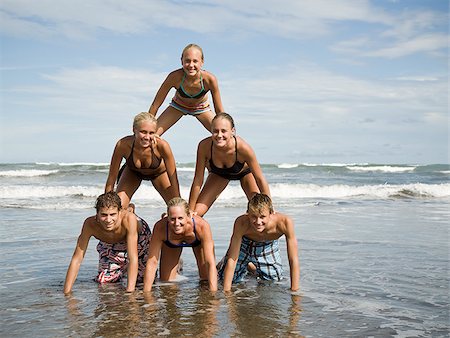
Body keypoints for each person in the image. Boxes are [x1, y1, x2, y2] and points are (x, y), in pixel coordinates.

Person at [64, 192, 151, 294]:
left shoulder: (128, 219)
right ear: (97, 213)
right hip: (110, 242)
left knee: (141, 281)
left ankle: (131, 208)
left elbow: (132, 259)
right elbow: (77, 259)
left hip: (139, 239)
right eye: (104, 215)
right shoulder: (90, 224)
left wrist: (130, 293)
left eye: (112, 214)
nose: (108, 220)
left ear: (119, 212)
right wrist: (67, 292)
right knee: (105, 282)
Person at [189, 112, 271, 216]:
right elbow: (198, 180)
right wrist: (190, 210)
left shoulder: (243, 148)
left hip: (245, 173)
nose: (219, 135)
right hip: (218, 175)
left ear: (232, 131)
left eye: (223, 131)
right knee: (196, 214)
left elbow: (259, 178)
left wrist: (269, 206)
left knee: (259, 212)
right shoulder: (204, 146)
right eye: (215, 131)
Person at [218, 193, 299, 291]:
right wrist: (227, 291)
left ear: (271, 213)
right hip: (244, 245)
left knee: (272, 282)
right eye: (253, 216)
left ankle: (251, 267)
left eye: (262, 217)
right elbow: (233, 258)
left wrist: (294, 291)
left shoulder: (285, 222)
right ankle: (227, 263)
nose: (258, 222)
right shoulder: (241, 223)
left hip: (268, 245)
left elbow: (293, 258)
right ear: (247, 213)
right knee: (226, 279)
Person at [104, 112, 180, 209]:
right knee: (118, 208)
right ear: (134, 130)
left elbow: (173, 178)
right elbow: (111, 178)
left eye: (151, 133)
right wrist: (106, 204)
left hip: (159, 174)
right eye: (143, 132)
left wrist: (178, 202)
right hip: (133, 172)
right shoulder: (123, 145)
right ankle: (129, 210)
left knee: (175, 207)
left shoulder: (162, 146)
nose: (147, 137)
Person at [143, 197, 218, 292]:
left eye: (180, 218)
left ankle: (220, 266)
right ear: (167, 217)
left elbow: (210, 262)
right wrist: (146, 294)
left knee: (205, 279)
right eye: (172, 219)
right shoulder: (160, 227)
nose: (177, 223)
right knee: (167, 282)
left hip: (197, 242)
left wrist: (213, 294)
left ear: (188, 216)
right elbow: (152, 262)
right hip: (171, 242)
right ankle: (177, 265)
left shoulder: (202, 226)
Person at [148, 43, 224, 136]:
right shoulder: (174, 77)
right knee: (151, 135)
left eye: (195, 61)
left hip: (201, 107)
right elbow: (155, 104)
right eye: (187, 61)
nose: (191, 65)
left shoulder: (209, 80)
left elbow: (219, 109)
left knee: (224, 135)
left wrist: (225, 128)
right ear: (182, 61)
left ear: (202, 62)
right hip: (178, 105)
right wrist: (147, 127)